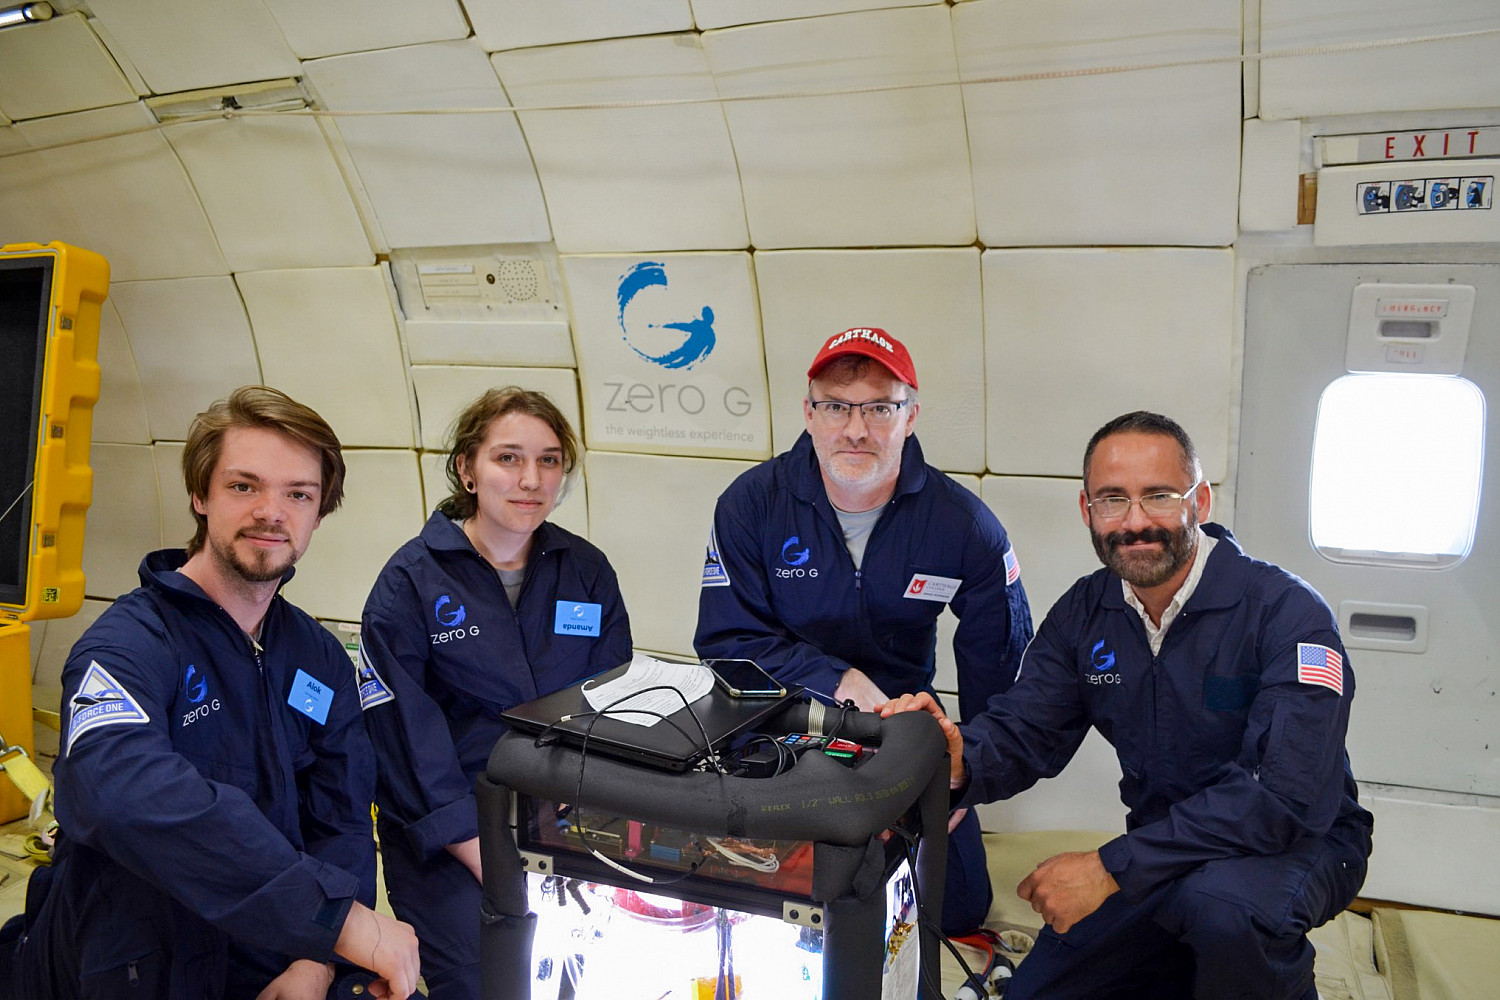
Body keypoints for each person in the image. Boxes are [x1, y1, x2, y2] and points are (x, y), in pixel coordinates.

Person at [883, 410, 1374, 1000]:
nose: (1136, 521)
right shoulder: (1086, 613)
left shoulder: (1287, 613)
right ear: (1087, 510)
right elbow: (1026, 729)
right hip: (1162, 846)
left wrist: (1112, 868)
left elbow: (1286, 798)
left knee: (1222, 911)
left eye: (1160, 496)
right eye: (1113, 500)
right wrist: (959, 759)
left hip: (1295, 846)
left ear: (1201, 502)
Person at [2, 386, 420, 1000]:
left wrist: (318, 960)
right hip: (130, 960)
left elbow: (343, 821)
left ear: (319, 513)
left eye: (298, 494)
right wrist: (337, 918)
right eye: (244, 487)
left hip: (271, 949)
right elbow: (118, 791)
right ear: (200, 496)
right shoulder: (128, 644)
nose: (271, 512)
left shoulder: (320, 659)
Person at [694, 326, 1034, 935]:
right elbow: (727, 644)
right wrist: (838, 679)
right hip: (783, 724)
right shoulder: (750, 505)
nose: (856, 429)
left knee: (954, 910)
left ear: (911, 416)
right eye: (835, 406)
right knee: (780, 901)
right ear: (808, 413)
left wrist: (964, 779)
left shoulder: (964, 526)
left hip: (902, 731)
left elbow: (1001, 667)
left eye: (880, 407)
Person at [358, 387, 632, 999]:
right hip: (452, 838)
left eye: (550, 459)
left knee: (585, 980)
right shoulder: (411, 583)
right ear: (467, 468)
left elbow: (614, 707)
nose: (531, 478)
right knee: (489, 982)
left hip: (568, 827)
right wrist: (489, 857)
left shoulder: (586, 572)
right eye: (508, 458)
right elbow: (406, 743)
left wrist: (591, 835)